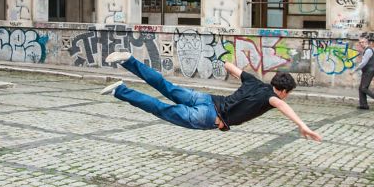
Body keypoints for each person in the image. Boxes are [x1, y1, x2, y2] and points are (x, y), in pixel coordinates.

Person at [101, 52, 321, 141]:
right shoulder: (272, 99)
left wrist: (226, 63)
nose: (284, 99)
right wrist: (302, 125)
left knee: (165, 86)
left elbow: (228, 66)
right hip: (208, 115)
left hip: (204, 98)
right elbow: (283, 107)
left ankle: (129, 60)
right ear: (283, 91)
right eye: (287, 95)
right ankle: (120, 90)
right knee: (160, 108)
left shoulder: (253, 81)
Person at [354, 35, 374, 110]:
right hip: (367, 71)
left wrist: (355, 70)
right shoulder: (366, 50)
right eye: (360, 42)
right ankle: (364, 105)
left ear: (366, 42)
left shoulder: (368, 50)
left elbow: (363, 63)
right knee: (361, 88)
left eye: (362, 42)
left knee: (364, 88)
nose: (361, 44)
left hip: (369, 71)